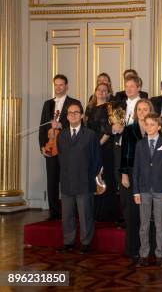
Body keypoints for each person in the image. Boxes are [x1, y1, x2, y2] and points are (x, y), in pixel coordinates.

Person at [55, 102, 101, 254]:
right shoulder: (61, 136)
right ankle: (68, 242)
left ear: (82, 115)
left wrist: (90, 176)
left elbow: (96, 159)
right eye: (70, 113)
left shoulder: (90, 135)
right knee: (67, 215)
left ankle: (85, 243)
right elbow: (60, 159)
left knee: (85, 214)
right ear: (67, 117)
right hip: (67, 180)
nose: (73, 115)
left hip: (84, 180)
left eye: (76, 112)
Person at [133, 114, 162, 268]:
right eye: (146, 124)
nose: (149, 127)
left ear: (158, 127)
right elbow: (136, 169)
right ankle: (143, 254)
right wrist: (135, 191)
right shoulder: (140, 144)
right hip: (143, 190)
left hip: (160, 190)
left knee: (160, 224)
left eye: (152, 124)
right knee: (144, 224)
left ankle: (159, 254)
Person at [39, 74, 81, 221]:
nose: (58, 87)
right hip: (51, 147)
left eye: (61, 85)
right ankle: (54, 213)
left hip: (68, 149)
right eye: (56, 85)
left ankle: (70, 213)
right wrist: (42, 146)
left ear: (66, 86)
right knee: (52, 181)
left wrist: (62, 125)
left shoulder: (74, 103)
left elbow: (78, 125)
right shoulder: (48, 104)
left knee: (68, 180)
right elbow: (42, 127)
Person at [119, 99, 154, 261]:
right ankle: (132, 248)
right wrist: (124, 174)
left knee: (149, 213)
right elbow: (124, 153)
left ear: (150, 111)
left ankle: (150, 248)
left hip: (150, 174)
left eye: (145, 109)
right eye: (139, 109)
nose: (141, 112)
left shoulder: (154, 128)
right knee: (132, 213)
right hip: (132, 174)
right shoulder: (129, 129)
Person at [85, 82, 118, 222]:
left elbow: (110, 130)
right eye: (99, 90)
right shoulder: (90, 108)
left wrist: (98, 144)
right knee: (94, 179)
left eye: (105, 91)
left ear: (109, 93)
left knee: (106, 179)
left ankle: (107, 214)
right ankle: (95, 213)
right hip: (91, 147)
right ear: (95, 91)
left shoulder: (111, 108)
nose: (102, 92)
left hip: (105, 147)